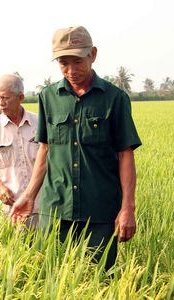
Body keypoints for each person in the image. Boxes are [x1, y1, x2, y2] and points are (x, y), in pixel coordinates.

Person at [10, 26, 142, 270]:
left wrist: (128, 208)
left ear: (92, 54)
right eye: (63, 62)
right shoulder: (48, 97)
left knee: (99, 279)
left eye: (77, 61)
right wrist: (28, 195)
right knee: (50, 278)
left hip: (100, 213)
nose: (71, 70)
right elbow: (45, 149)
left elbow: (125, 154)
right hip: (55, 210)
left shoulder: (114, 98)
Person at [0, 74, 40, 228]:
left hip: (40, 206)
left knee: (44, 248)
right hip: (9, 210)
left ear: (20, 97)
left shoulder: (39, 124)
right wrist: (0, 187)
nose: (1, 103)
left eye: (5, 98)